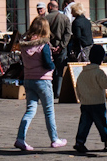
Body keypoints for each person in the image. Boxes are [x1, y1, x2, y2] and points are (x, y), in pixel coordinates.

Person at [14, 17, 67, 151]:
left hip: (28, 79)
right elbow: (47, 64)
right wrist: (53, 65)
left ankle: (20, 138)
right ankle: (54, 139)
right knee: (49, 111)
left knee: (30, 110)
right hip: (43, 80)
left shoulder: (25, 45)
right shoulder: (44, 45)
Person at [73, 44, 107, 153]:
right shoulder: (98, 72)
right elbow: (105, 84)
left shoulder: (82, 73)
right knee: (102, 124)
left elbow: (78, 88)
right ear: (101, 59)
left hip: (85, 104)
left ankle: (80, 141)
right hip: (97, 103)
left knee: (84, 124)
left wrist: (82, 98)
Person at [45, 0, 72, 98]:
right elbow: (68, 33)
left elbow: (44, 34)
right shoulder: (65, 18)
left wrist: (51, 47)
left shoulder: (45, 19)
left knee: (49, 70)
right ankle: (58, 92)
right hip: (61, 48)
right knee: (60, 70)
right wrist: (62, 46)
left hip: (49, 48)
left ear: (50, 7)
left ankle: (49, 92)